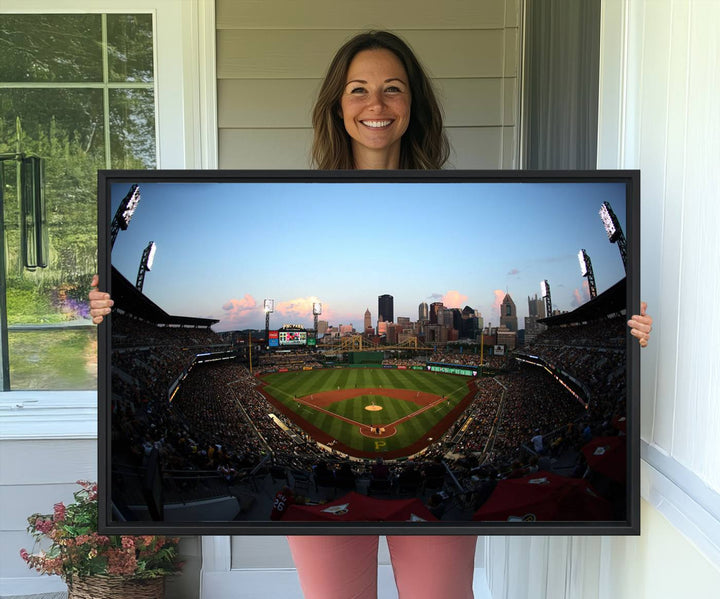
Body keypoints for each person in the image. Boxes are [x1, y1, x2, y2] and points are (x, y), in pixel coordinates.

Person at [89, 30, 653, 599]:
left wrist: (627, 332)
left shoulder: (453, 195)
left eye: (393, 89)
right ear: (338, 104)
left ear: (414, 104)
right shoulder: (301, 195)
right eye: (358, 89)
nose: (376, 105)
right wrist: (109, 316)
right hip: (331, 509)